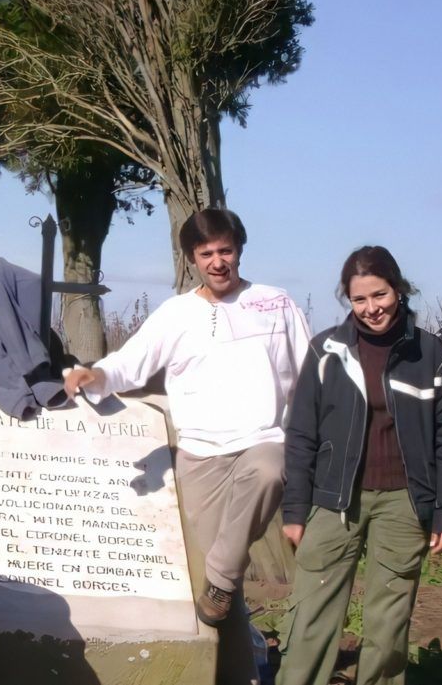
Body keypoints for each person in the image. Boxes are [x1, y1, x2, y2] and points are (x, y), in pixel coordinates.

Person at [64, 207, 311, 684]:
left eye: (225, 250)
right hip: (200, 457)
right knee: (222, 594)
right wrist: (93, 374)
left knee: (267, 474)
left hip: (262, 440)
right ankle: (237, 676)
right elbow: (128, 365)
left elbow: (307, 377)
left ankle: (220, 575)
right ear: (192, 259)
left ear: (239, 250)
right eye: (206, 253)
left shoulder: (274, 303)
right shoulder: (176, 313)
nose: (218, 261)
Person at [277, 246, 442, 685]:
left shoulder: (434, 357)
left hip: (404, 503)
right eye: (358, 300)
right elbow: (302, 433)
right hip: (333, 501)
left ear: (398, 289)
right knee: (310, 617)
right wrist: (293, 510)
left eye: (379, 295)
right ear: (348, 299)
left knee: (387, 628)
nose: (371, 309)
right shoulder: (324, 351)